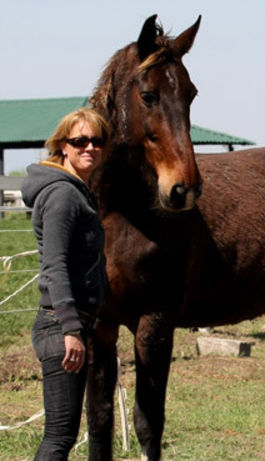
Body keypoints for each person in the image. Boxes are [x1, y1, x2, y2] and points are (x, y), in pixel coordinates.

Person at [21, 108, 110, 460]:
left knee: (64, 434)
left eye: (97, 141)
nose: (90, 147)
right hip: (60, 327)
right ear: (63, 147)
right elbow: (55, 267)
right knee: (59, 437)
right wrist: (72, 329)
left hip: (71, 324)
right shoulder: (62, 195)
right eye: (79, 141)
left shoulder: (77, 192)